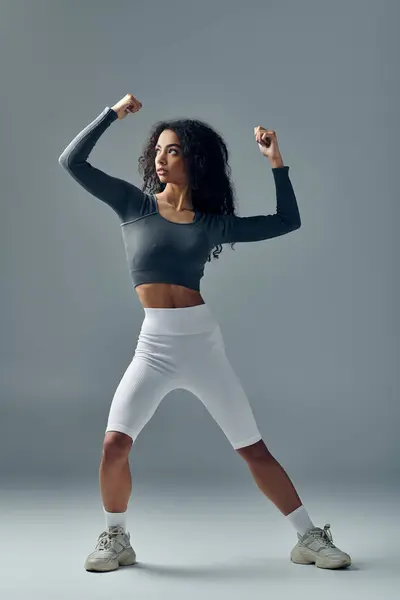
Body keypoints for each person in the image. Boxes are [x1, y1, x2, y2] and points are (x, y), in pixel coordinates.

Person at [58, 93, 351, 573]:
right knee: (115, 444)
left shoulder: (212, 224)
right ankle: (117, 537)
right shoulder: (132, 204)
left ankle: (308, 538)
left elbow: (287, 221)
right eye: (157, 149)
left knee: (253, 449)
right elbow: (72, 161)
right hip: (153, 345)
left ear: (194, 160)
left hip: (200, 344)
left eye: (172, 149)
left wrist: (276, 162)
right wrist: (112, 113)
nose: (160, 157)